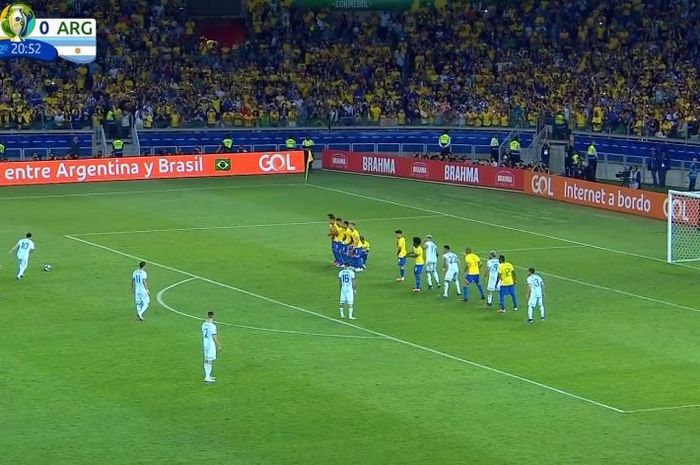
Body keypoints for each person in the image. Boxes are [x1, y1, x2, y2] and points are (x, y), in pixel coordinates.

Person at [202, 311, 221, 383]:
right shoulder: (213, 326)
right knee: (209, 360)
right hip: (210, 344)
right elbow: (214, 337)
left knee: (207, 359)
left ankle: (208, 375)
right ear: (213, 316)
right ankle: (207, 377)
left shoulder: (204, 324)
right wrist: (219, 345)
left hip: (205, 343)